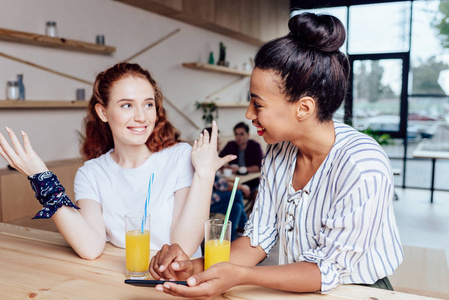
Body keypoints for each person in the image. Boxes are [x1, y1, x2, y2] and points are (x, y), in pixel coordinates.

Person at [148, 12, 403, 298]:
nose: (249, 114)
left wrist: (241, 276)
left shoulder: (362, 165)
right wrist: (192, 268)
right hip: (297, 286)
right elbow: (257, 241)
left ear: (303, 108)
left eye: (258, 104)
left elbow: (326, 269)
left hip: (359, 291)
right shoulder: (279, 150)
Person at [0, 62, 234, 259]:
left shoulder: (179, 156)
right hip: (120, 281)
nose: (141, 116)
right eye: (127, 105)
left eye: (148, 104)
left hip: (175, 282)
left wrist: (205, 175)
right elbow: (90, 247)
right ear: (102, 112)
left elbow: (183, 247)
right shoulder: (91, 173)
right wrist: (42, 178)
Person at [204, 127, 249, 241]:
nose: (219, 142)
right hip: (209, 201)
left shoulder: (208, 157)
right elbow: (221, 186)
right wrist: (239, 186)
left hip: (212, 196)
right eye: (217, 139)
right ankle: (245, 230)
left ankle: (232, 239)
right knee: (238, 194)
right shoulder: (207, 159)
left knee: (237, 206)